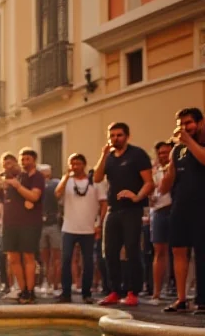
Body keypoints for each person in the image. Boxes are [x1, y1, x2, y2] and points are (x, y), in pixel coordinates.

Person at [93, 122, 153, 306]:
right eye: (112, 136)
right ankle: (114, 291)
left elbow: (149, 183)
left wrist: (136, 197)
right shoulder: (109, 157)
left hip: (132, 210)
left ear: (127, 136)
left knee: (132, 250)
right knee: (109, 252)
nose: (115, 139)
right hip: (113, 210)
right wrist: (103, 155)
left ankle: (132, 291)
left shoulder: (137, 154)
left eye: (119, 135)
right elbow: (96, 178)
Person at [159, 108, 205, 314]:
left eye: (189, 123)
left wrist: (188, 141)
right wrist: (168, 170)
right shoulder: (177, 151)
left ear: (200, 122)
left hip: (202, 206)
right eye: (182, 124)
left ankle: (203, 300)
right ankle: (181, 299)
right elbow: (164, 187)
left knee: (202, 252)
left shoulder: (197, 144)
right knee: (178, 250)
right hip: (180, 206)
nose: (185, 128)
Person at [0, 149, 45, 304]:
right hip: (9, 224)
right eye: (5, 164)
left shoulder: (31, 176)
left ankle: (30, 291)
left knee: (28, 256)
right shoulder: (2, 178)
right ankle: (23, 290)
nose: (7, 166)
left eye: (11, 163)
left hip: (29, 223)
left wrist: (17, 185)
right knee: (12, 258)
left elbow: (34, 196)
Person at [54, 154, 107, 304]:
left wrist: (99, 224)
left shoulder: (95, 181)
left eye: (78, 163)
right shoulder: (67, 181)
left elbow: (104, 203)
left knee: (88, 262)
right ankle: (66, 293)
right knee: (66, 260)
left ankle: (86, 293)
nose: (75, 166)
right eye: (72, 164)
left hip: (89, 228)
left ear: (84, 164)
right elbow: (57, 194)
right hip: (69, 227)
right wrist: (65, 177)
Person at [148, 141, 173, 305]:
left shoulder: (177, 168)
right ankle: (156, 293)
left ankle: (180, 292)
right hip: (158, 211)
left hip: (176, 209)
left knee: (181, 253)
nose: (163, 155)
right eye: (161, 153)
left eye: (166, 152)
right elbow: (151, 193)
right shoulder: (152, 171)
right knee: (159, 251)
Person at [37, 164, 61, 297]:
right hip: (40, 225)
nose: (46, 176)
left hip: (54, 224)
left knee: (56, 257)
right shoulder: (35, 185)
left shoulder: (56, 183)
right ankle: (46, 282)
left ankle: (56, 285)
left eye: (47, 173)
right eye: (43, 173)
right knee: (44, 258)